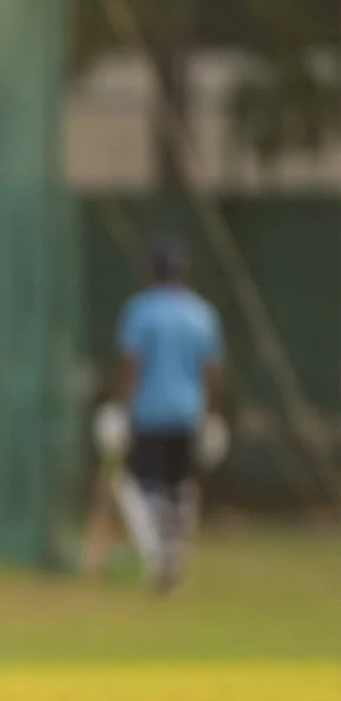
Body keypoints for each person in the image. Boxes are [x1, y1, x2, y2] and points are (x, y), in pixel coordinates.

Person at [105, 238, 226, 591]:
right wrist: (211, 415)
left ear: (151, 271)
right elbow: (212, 371)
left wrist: (118, 408)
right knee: (180, 486)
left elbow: (132, 364)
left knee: (142, 484)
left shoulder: (141, 310)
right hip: (189, 413)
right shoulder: (202, 312)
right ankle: (175, 554)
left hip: (150, 412)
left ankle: (159, 554)